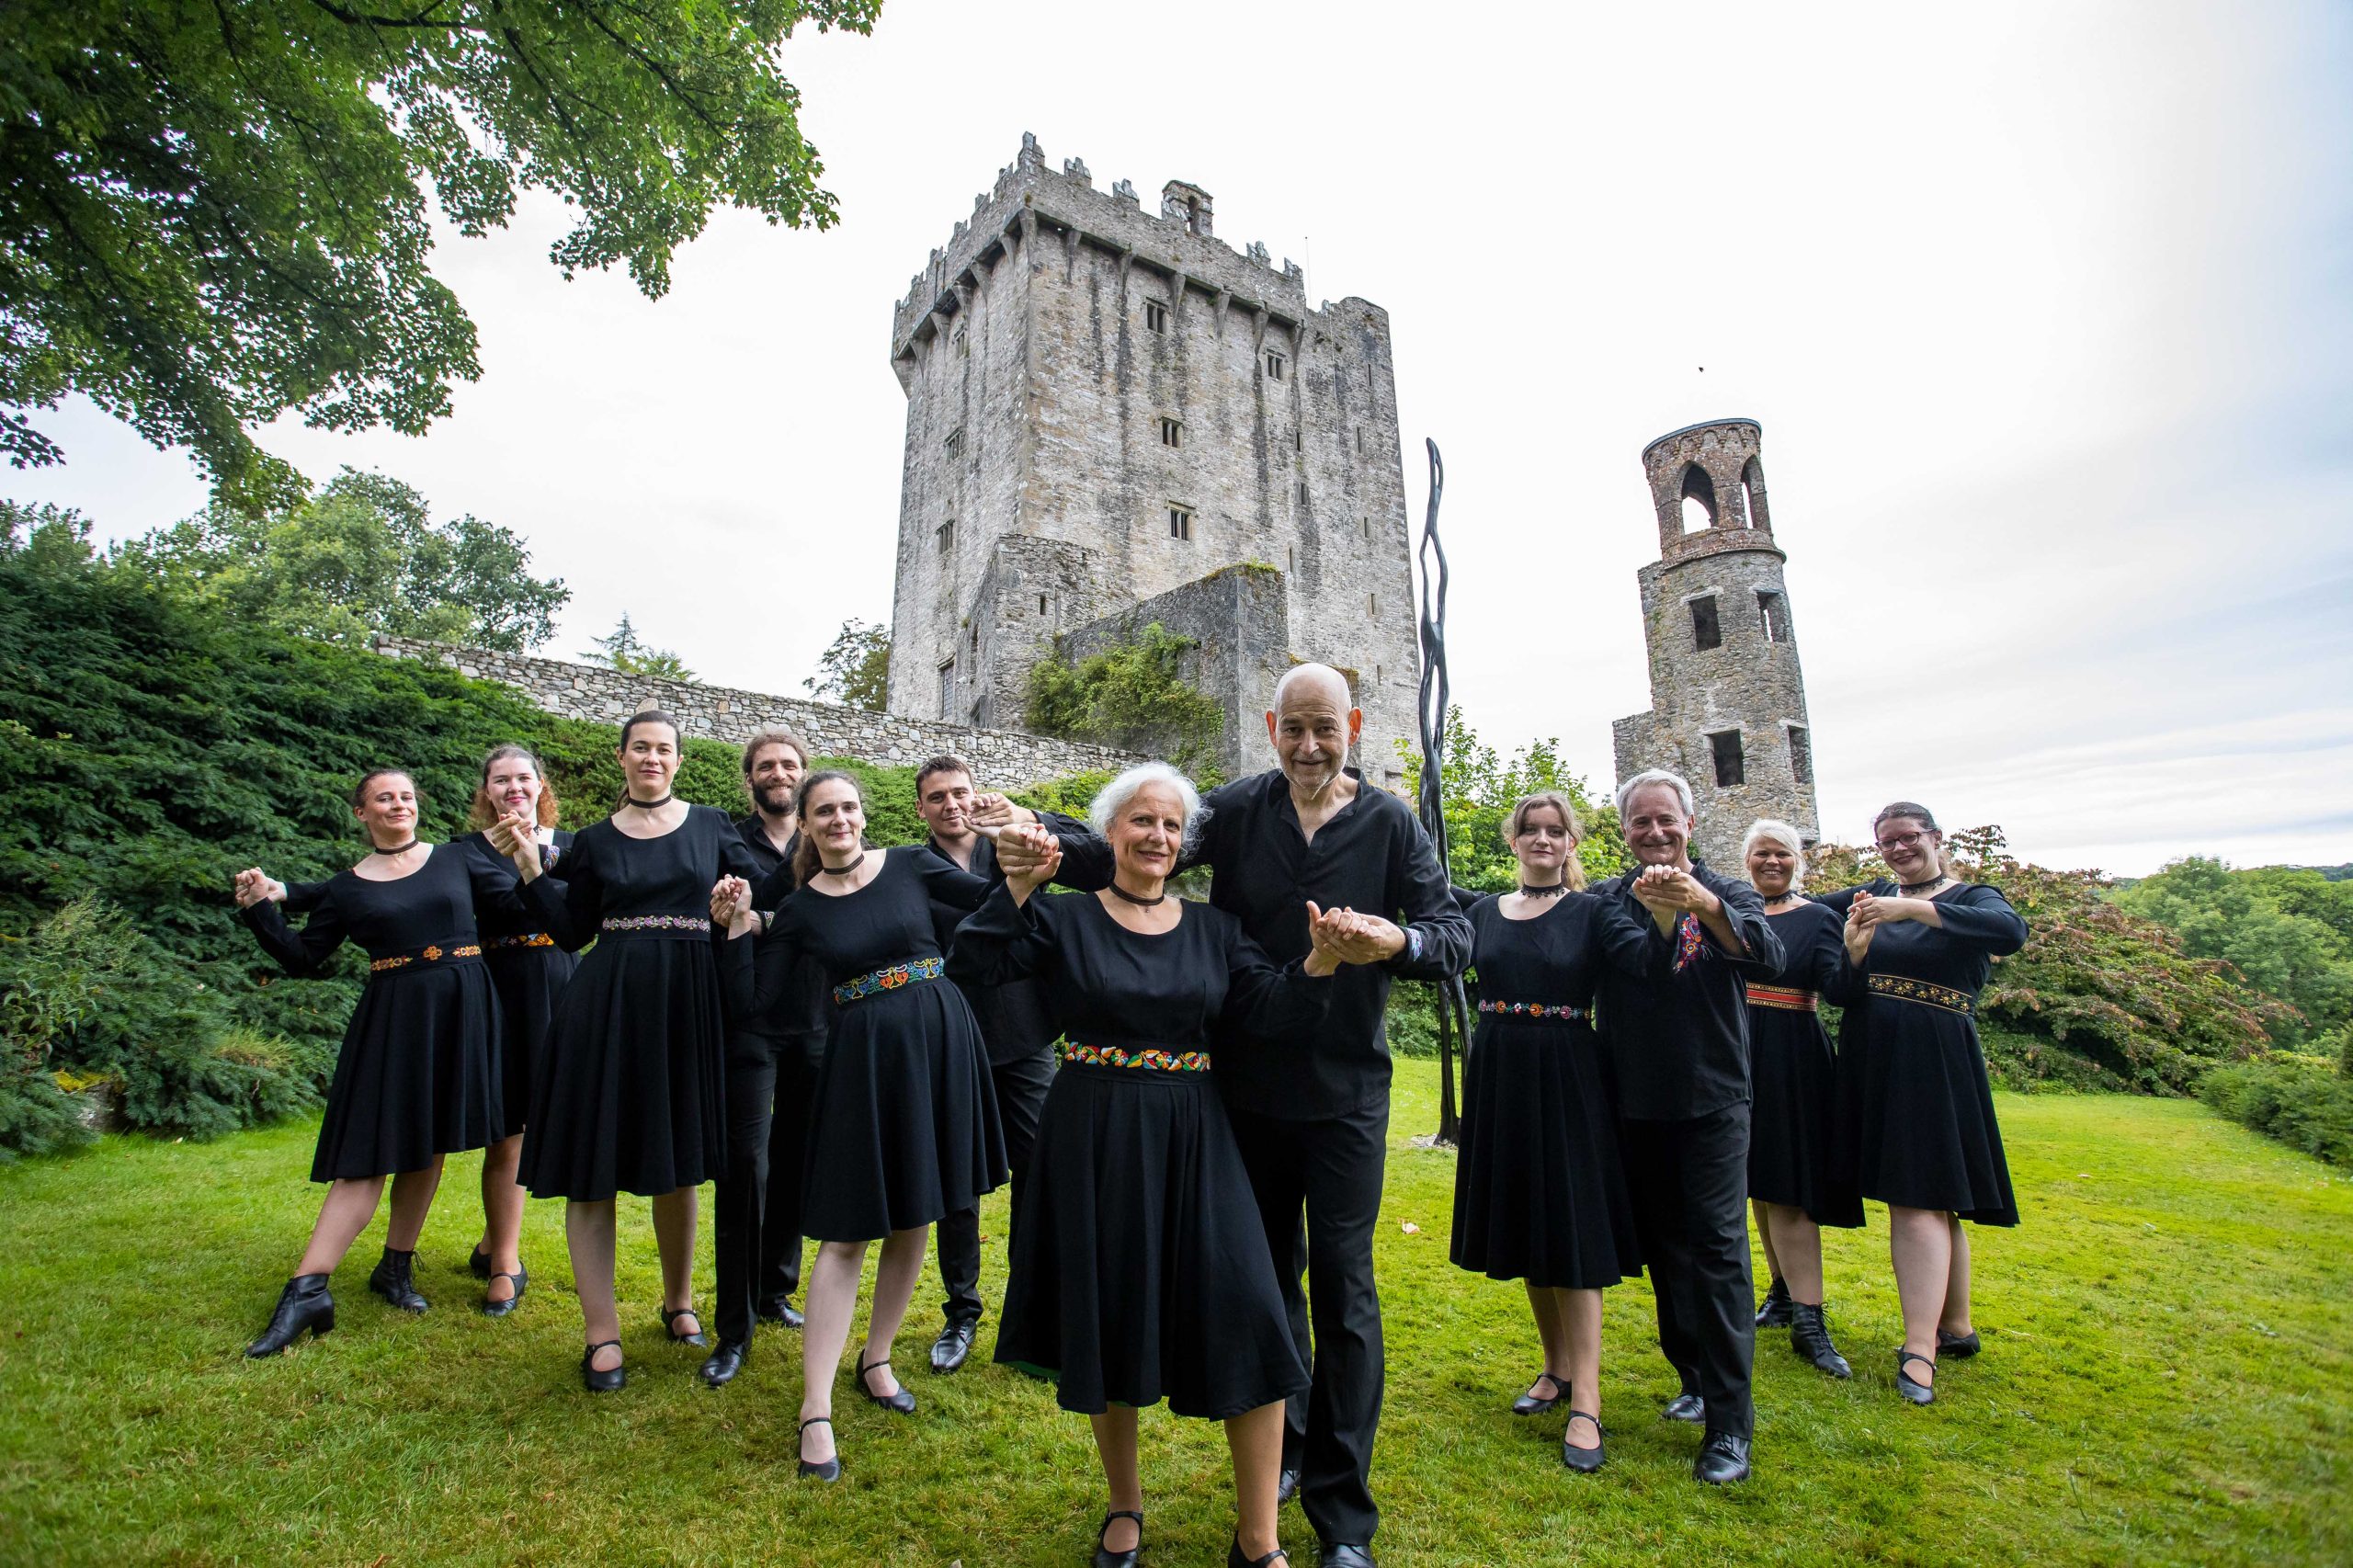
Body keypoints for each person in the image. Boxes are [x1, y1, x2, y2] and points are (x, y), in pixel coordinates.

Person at [997, 664, 1471, 1567]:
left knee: (1344, 1291)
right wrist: (1037, 837)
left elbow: (1453, 934)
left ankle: (1342, 1515)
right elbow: (1136, 844)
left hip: (1345, 1096)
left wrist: (1393, 940)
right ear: (1269, 727)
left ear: (1354, 727)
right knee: (1264, 1287)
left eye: (1324, 728)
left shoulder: (1390, 824)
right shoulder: (1240, 809)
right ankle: (1280, 1452)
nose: (1307, 746)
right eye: (1292, 728)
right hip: (1239, 1093)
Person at [953, 768, 1379, 1568]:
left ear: (1185, 844)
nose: (1157, 836)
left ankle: (1257, 1539)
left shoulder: (1216, 931)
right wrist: (1012, 887)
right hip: (1092, 1136)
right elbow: (972, 968)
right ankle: (1124, 1505)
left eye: (1172, 826)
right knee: (1110, 1317)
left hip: (1196, 1135)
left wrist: (1320, 963)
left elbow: (1273, 1014)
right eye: (1142, 821)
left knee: (1252, 1312)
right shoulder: (1064, 920)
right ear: (1109, 833)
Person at [718, 769, 1005, 1482]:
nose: (839, 819)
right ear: (808, 827)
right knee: (847, 1232)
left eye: (848, 807)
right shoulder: (802, 907)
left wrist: (1020, 860)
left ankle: (876, 1359)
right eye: (825, 812)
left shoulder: (910, 863)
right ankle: (816, 1406)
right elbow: (752, 997)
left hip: (940, 1038)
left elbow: (990, 902)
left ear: (863, 815)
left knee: (918, 1213)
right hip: (863, 1060)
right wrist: (736, 929)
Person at [491, 710, 763, 1392]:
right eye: (639, 747)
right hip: (606, 1006)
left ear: (678, 759)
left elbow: (768, 891)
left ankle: (678, 1302)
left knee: (677, 1164)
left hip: (690, 1004)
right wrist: (529, 869)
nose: (651, 758)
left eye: (663, 749)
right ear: (621, 758)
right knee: (593, 1165)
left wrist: (741, 911)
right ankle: (601, 1334)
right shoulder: (593, 839)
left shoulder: (712, 827)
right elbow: (571, 929)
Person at [232, 768, 514, 1356]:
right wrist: (264, 907)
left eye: (407, 795)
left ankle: (395, 1266)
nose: (398, 804)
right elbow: (303, 955)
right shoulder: (347, 887)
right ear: (362, 813)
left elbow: (522, 898)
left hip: (464, 1008)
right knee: (369, 1151)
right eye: (384, 797)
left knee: (428, 1143)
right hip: (394, 1019)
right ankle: (308, 1287)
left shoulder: (457, 857)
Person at [1590, 769, 1782, 1485]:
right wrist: (1666, 918)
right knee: (1666, 1249)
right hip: (1635, 1101)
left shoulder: (1728, 892)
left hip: (1714, 1100)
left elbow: (1770, 953)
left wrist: (1699, 903)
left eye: (1665, 820)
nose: (1655, 832)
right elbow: (1640, 964)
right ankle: (1694, 1377)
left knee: (1720, 1250)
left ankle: (1732, 1426)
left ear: (1690, 823)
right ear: (1626, 830)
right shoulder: (1611, 900)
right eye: (1641, 822)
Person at [1449, 792, 1650, 1473]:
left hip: (1568, 1074)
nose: (1542, 839)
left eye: (1554, 830)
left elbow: (1646, 963)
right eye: (1530, 829)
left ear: (1571, 843)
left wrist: (1677, 914)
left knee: (1572, 1230)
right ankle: (1556, 1368)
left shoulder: (1597, 911)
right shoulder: (1481, 911)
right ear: (1512, 841)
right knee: (1529, 1222)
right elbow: (1419, 889)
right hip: (1501, 1073)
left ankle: (1588, 1399)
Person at [1825, 802, 2029, 1405]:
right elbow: (1837, 987)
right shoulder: (1868, 899)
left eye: (1908, 838)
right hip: (1874, 1055)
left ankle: (1920, 1349)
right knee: (1930, 1195)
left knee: (1919, 1196)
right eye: (1886, 843)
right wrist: (1856, 950)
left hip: (1935, 1058)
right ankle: (1956, 1327)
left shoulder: (1975, 898)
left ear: (1935, 838)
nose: (1897, 850)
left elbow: (2010, 934)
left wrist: (1907, 907)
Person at [914, 755, 1060, 1375]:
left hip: (1025, 1034)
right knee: (958, 1184)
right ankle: (961, 1311)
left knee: (1039, 1172)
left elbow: (1041, 928)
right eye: (938, 797)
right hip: (954, 1036)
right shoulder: (910, 871)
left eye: (961, 793)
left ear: (978, 797)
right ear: (920, 807)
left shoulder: (1015, 849)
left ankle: (1033, 1314)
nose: (952, 804)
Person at [702, 725, 829, 1385]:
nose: (778, 773)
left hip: (815, 1015)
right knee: (744, 1162)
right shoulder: (729, 839)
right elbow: (751, 902)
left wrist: (760, 915)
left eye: (789, 764)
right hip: (750, 1017)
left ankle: (776, 1288)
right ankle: (733, 1329)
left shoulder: (831, 836)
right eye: (766, 766)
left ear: (804, 773)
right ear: (750, 778)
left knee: (795, 1159)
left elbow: (777, 910)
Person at [1740, 819, 1860, 1379]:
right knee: (1760, 1186)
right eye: (1761, 853)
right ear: (1747, 861)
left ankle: (1811, 1320)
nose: (1771, 862)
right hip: (1737, 1052)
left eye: (1781, 854)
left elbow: (1839, 990)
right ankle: (1783, 1293)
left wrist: (1856, 952)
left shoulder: (1818, 919)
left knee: (1787, 1188)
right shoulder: (1733, 912)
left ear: (1797, 861)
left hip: (1791, 1055)